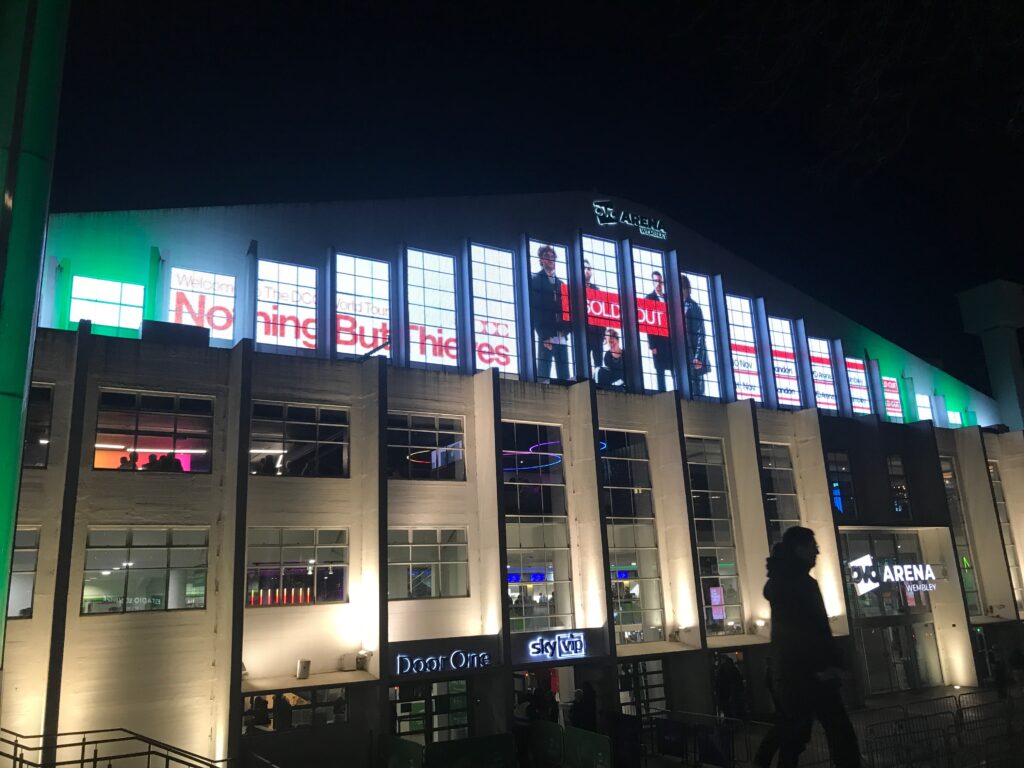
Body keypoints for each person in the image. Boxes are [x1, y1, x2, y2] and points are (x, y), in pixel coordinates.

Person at [763, 527, 860, 768]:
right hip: (812, 674)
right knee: (840, 736)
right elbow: (814, 630)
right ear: (799, 549)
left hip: (793, 673)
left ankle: (760, 761)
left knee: (794, 737)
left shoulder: (783, 583)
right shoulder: (801, 584)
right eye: (812, 546)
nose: (817, 551)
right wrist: (828, 666)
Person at [530, 245, 571, 382]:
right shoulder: (535, 280)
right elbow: (535, 311)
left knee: (565, 378)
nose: (550, 260)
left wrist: (566, 331)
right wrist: (543, 335)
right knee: (543, 376)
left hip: (561, 335)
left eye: (553, 257)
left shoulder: (561, 284)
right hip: (546, 335)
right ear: (541, 260)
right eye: (547, 257)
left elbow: (568, 311)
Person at [680, 275, 709, 396]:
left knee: (697, 390)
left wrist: (698, 356)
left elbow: (699, 333)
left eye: (683, 289)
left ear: (687, 289)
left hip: (693, 355)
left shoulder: (694, 307)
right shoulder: (676, 306)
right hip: (683, 354)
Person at [645, 270, 672, 391]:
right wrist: (652, 345)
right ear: (653, 282)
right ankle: (663, 394)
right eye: (656, 281)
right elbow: (648, 323)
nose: (659, 283)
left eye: (660, 281)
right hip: (658, 341)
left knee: (673, 369)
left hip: (669, 341)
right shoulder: (649, 298)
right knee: (660, 371)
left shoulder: (668, 298)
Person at [583, 259, 605, 372]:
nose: (587, 271)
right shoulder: (575, 290)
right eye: (584, 268)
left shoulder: (597, 290)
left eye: (589, 269)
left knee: (598, 367)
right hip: (584, 335)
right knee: (585, 366)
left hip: (597, 335)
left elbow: (602, 315)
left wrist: (603, 334)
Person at [715, 655, 746, 720]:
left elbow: (719, 684)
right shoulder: (734, 671)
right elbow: (739, 682)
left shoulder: (722, 672)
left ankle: (731, 722)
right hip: (731, 694)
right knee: (734, 709)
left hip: (726, 694)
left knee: (728, 710)